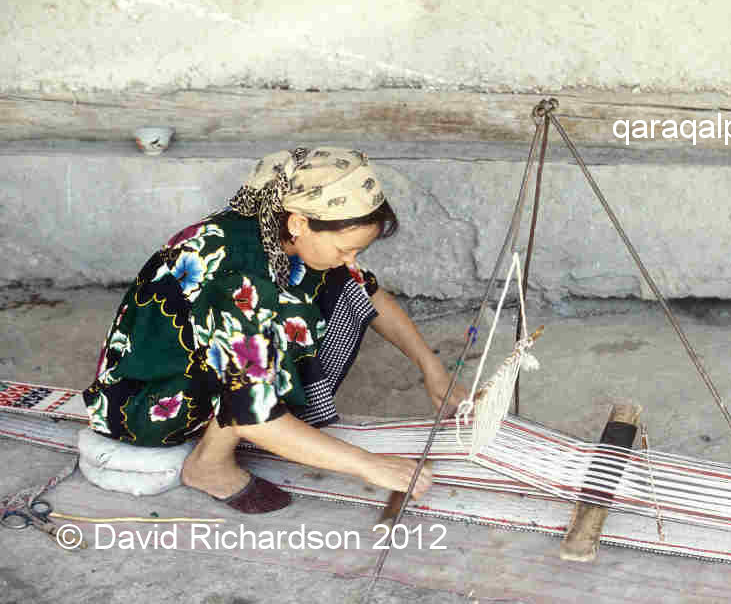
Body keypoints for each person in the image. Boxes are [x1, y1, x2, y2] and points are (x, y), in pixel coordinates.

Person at [82, 147, 467, 513]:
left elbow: (366, 293)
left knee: (337, 286)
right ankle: (208, 465)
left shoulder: (277, 228)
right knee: (274, 339)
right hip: (146, 400)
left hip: (198, 359)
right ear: (300, 223)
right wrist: (370, 465)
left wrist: (432, 369)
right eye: (344, 248)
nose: (351, 260)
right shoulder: (237, 279)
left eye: (357, 251)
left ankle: (239, 427)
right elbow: (256, 416)